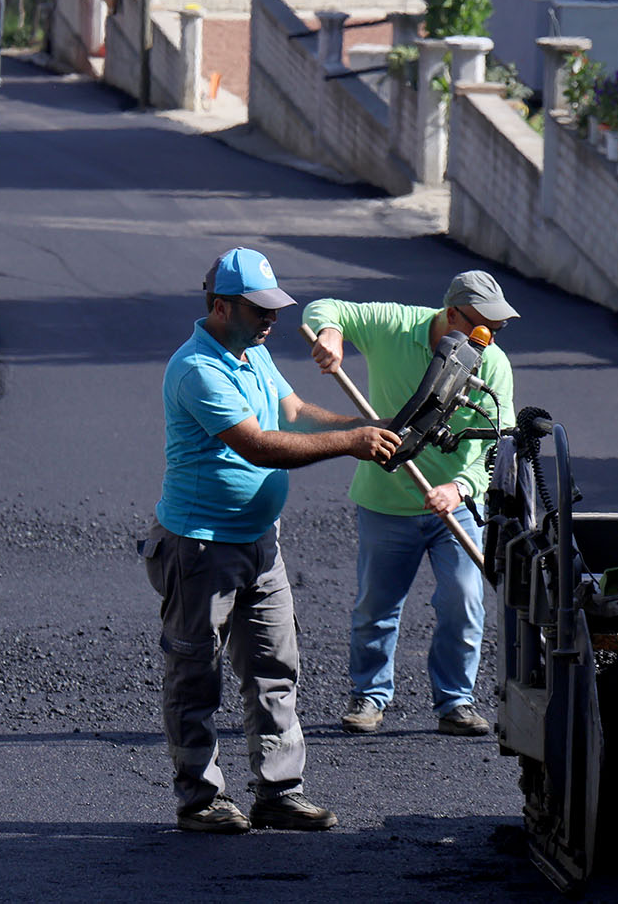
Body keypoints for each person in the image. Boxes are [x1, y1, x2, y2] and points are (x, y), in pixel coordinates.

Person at [143, 247, 400, 834]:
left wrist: (369, 426)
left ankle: (278, 793)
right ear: (220, 306)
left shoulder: (252, 353)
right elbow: (259, 444)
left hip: (260, 544)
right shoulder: (197, 369)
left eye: (275, 307)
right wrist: (353, 443)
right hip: (200, 547)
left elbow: (295, 411)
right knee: (195, 675)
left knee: (274, 670)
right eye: (259, 308)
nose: (272, 319)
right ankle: (200, 800)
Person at [301, 271, 518, 738]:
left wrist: (459, 488)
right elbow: (326, 309)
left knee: (463, 600)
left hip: (453, 507)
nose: (491, 338)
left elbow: (498, 447)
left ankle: (456, 703)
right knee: (376, 605)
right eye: (484, 326)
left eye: (497, 329)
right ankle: (369, 697)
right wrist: (331, 336)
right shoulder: (395, 325)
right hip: (385, 502)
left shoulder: (492, 364)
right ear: (452, 314)